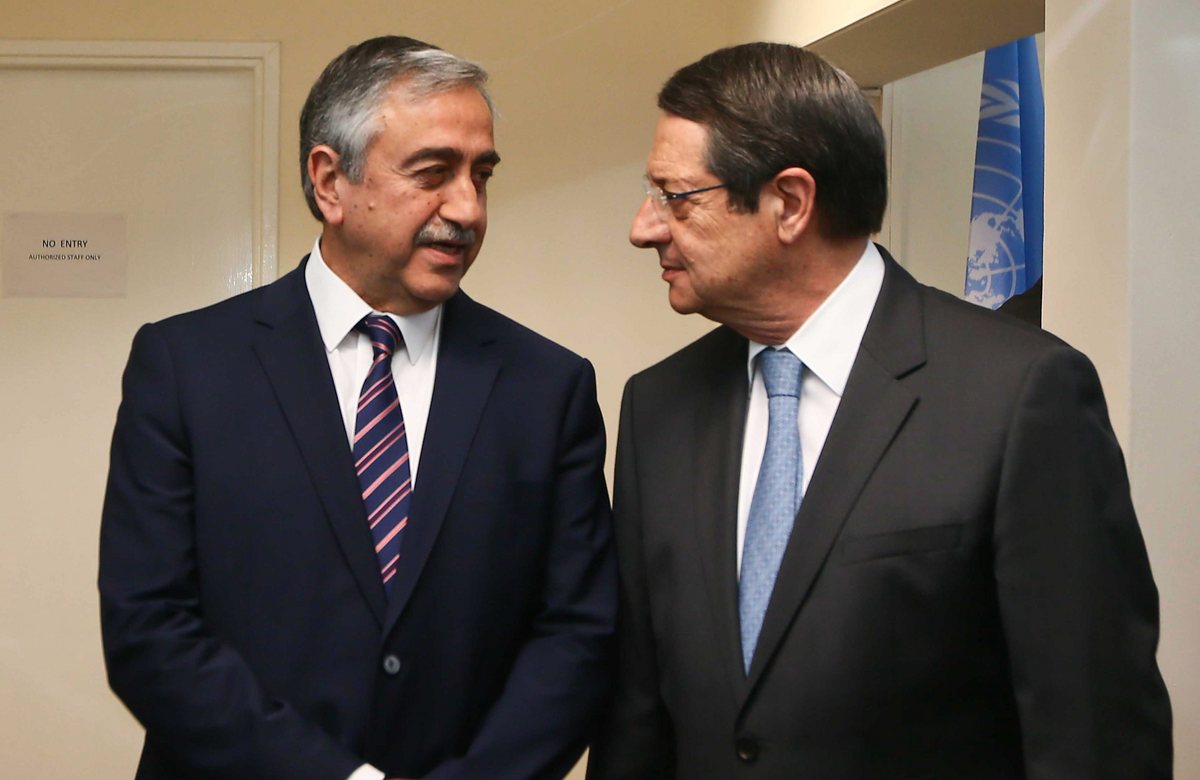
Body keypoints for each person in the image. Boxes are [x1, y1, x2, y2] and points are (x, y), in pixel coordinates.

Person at [587, 42, 1171, 779]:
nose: (644, 227)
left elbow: (1094, 733)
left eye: (676, 196)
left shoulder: (1019, 394)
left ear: (790, 203)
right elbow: (637, 716)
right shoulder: (658, 408)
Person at [99, 35, 615, 780]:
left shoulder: (548, 386)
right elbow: (150, 629)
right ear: (329, 182)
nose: (467, 208)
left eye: (481, 175)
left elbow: (578, 634)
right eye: (433, 173)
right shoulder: (186, 367)